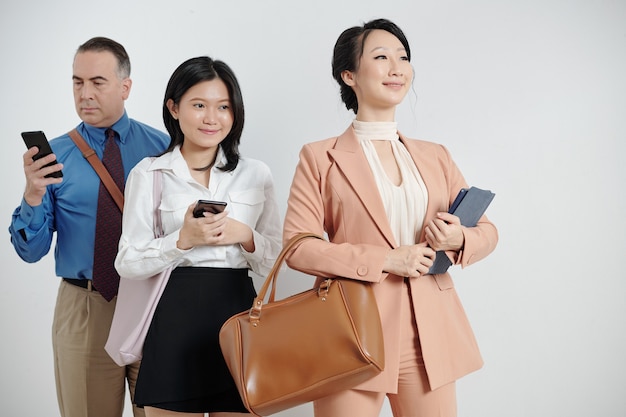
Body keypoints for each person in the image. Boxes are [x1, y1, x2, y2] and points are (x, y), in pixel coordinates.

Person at [282, 18, 498, 417]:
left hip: (428, 336)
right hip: (351, 332)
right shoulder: (319, 157)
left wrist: (459, 239)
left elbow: (487, 232)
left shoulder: (436, 155)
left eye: (403, 57)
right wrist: (385, 259)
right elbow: (299, 246)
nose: (397, 67)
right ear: (350, 75)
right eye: (381, 57)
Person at [8, 37, 170, 417]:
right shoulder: (55, 155)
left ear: (125, 87)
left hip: (154, 304)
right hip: (85, 307)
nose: (85, 94)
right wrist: (32, 194)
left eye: (97, 82)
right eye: (77, 82)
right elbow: (30, 252)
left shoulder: (162, 148)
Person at [114, 56, 282, 416]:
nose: (212, 118)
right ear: (174, 108)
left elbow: (278, 262)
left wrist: (245, 235)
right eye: (199, 105)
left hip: (239, 316)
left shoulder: (256, 173)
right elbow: (126, 261)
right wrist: (181, 240)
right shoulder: (149, 173)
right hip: (174, 319)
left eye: (223, 107)